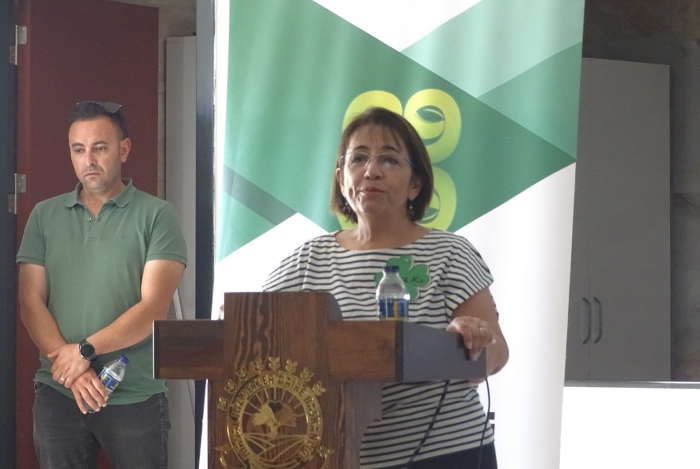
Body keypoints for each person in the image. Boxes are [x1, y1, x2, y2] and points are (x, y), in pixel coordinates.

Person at [263, 107, 509, 469]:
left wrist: (471, 340)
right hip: (340, 455)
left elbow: (497, 354)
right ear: (341, 179)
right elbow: (252, 328)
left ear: (415, 184)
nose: (371, 171)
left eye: (389, 160)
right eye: (358, 158)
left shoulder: (449, 253)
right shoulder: (308, 260)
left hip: (446, 453)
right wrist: (234, 320)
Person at [17, 101, 187, 469]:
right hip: (60, 393)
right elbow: (30, 303)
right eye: (78, 150)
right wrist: (72, 370)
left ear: (123, 149)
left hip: (135, 396)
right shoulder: (44, 216)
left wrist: (84, 352)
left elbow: (154, 308)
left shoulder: (158, 215)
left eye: (99, 148)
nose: (88, 160)